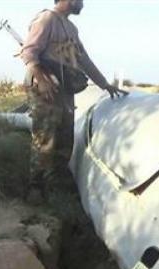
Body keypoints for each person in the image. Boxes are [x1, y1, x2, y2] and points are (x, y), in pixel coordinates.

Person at [20, 0, 127, 201]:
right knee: (45, 139)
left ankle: (54, 188)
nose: (82, 3)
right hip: (47, 89)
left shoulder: (70, 28)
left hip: (64, 89)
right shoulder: (47, 19)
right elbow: (28, 52)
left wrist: (105, 85)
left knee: (64, 139)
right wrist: (42, 80)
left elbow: (84, 60)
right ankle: (36, 188)